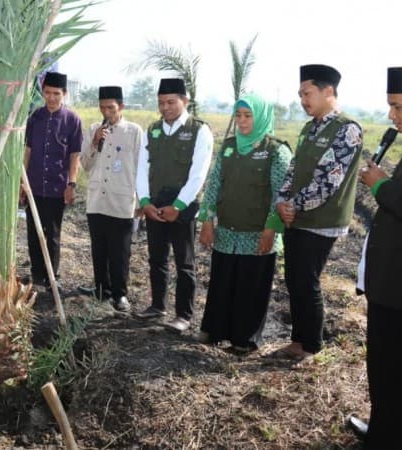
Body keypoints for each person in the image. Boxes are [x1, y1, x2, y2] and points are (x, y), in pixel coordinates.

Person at [274, 64, 363, 363]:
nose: (302, 100)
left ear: (328, 92)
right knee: (294, 279)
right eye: (300, 94)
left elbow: (328, 180)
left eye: (307, 93)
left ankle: (311, 345)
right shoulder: (309, 127)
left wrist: (293, 205)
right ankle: (299, 339)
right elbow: (293, 169)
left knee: (306, 279)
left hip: (322, 221)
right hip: (297, 216)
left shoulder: (347, 129)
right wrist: (282, 201)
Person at [197, 94, 292, 352]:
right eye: (238, 115)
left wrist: (271, 229)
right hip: (227, 232)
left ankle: (244, 340)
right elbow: (214, 185)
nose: (242, 121)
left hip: (257, 234)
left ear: (260, 117)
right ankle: (213, 330)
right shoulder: (229, 146)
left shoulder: (276, 151)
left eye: (247, 116)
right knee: (221, 282)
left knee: (251, 287)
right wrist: (206, 220)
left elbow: (281, 194)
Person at [134, 78, 214, 332]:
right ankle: (157, 305)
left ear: (185, 101)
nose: (165, 107)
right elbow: (142, 168)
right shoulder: (154, 130)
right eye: (161, 103)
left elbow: (198, 173)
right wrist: (145, 201)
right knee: (156, 258)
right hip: (155, 206)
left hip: (182, 208)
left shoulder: (199, 130)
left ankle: (184, 315)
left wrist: (178, 205)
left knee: (185, 262)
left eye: (171, 102)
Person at [350, 66, 402, 448]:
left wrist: (381, 183)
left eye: (398, 107)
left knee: (392, 366)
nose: (391, 116)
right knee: (382, 365)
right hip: (388, 282)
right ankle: (383, 428)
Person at [77, 86, 144, 312]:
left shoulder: (134, 131)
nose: (107, 112)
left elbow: (141, 168)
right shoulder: (94, 129)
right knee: (99, 248)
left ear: (121, 107)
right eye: (103, 108)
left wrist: (141, 200)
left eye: (111, 108)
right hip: (97, 201)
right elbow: (85, 164)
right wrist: (95, 142)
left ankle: (120, 294)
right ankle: (100, 288)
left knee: (120, 251)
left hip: (122, 201)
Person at [22, 71, 83, 289]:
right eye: (48, 93)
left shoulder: (72, 120)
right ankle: (37, 276)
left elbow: (74, 155)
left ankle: (52, 277)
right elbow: (27, 151)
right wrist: (23, 183)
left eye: (56, 94)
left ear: (64, 94)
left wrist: (71, 183)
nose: (52, 98)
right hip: (35, 185)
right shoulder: (35, 118)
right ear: (43, 93)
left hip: (58, 186)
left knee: (53, 234)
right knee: (33, 232)